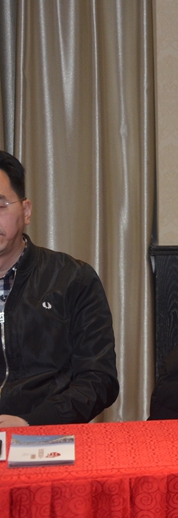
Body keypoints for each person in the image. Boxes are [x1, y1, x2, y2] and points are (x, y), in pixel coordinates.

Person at [0, 151, 119, 427]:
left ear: (26, 211)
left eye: (0, 205)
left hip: (48, 433)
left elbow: (98, 379)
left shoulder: (72, 279)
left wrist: (32, 422)